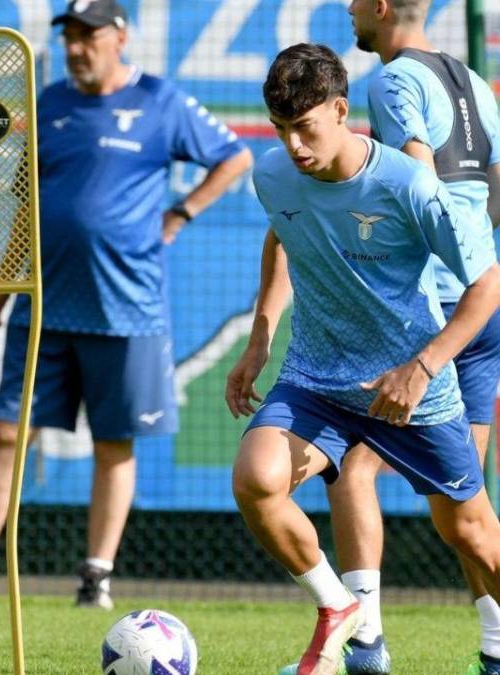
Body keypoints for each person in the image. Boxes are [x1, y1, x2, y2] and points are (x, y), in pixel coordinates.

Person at [0, 0, 252, 608]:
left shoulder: (161, 101)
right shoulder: (49, 103)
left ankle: (95, 577)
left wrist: (181, 213)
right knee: (4, 431)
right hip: (43, 306)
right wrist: (2, 279)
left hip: (127, 309)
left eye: (88, 35)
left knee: (114, 443)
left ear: (119, 36)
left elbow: (236, 156)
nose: (77, 47)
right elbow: (27, 202)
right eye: (70, 36)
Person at [227, 43, 500, 675]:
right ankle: (338, 609)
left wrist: (423, 367)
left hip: (413, 390)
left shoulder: (407, 185)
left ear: (341, 109)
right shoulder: (272, 176)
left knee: (471, 536)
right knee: (255, 481)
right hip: (316, 379)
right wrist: (261, 336)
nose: (294, 145)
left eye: (306, 127)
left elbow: (486, 285)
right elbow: (281, 238)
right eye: (281, 129)